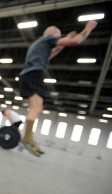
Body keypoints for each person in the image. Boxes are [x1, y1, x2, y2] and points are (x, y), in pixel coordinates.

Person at [18, 20, 97, 156]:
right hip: (33, 74)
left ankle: (28, 139)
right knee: (37, 108)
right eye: (58, 37)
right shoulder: (48, 39)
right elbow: (77, 41)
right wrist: (88, 28)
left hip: (26, 76)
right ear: (53, 35)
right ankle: (26, 139)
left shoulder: (39, 45)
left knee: (35, 108)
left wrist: (65, 41)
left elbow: (52, 54)